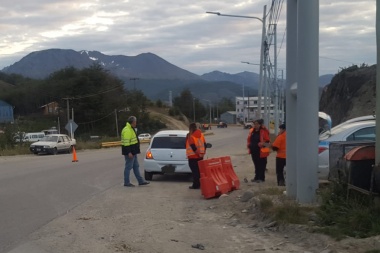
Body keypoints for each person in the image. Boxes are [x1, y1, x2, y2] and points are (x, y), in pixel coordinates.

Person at [121, 116, 150, 187]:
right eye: (135, 122)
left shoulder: (131, 129)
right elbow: (126, 143)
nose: (136, 123)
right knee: (128, 167)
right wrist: (129, 153)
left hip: (133, 152)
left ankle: (141, 181)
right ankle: (126, 182)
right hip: (130, 153)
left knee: (136, 166)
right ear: (133, 122)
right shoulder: (127, 130)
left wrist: (136, 150)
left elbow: (134, 141)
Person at [186, 122, 207, 189]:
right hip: (200, 157)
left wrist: (197, 153)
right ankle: (200, 184)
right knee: (199, 171)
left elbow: (193, 147)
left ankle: (196, 185)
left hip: (192, 157)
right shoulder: (201, 135)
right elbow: (205, 145)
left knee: (195, 172)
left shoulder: (190, 136)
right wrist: (202, 153)